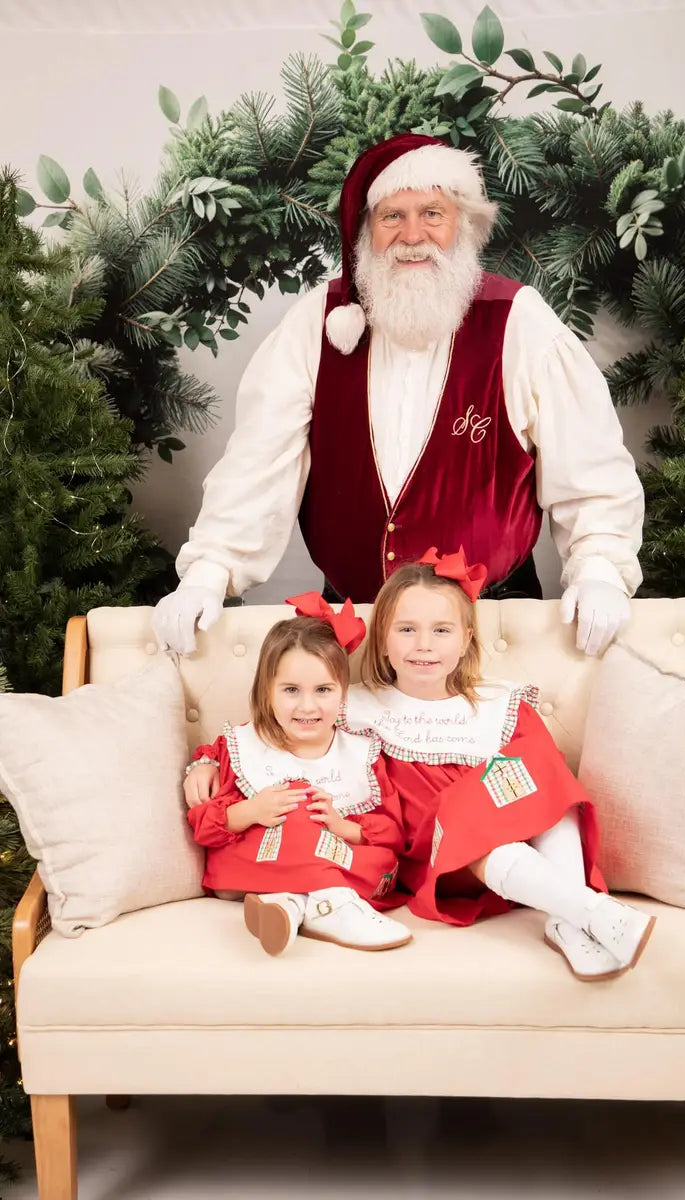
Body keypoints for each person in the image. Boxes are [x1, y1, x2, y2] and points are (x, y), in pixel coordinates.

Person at [152, 132, 644, 660]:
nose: (414, 235)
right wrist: (208, 571)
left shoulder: (518, 321)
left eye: (432, 213)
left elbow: (589, 467)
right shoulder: (318, 323)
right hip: (352, 626)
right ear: (366, 231)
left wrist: (599, 569)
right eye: (392, 216)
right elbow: (258, 463)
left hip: (491, 626)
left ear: (465, 225)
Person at [187, 549, 656, 982]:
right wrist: (204, 762)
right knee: (463, 817)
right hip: (434, 853)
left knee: (545, 775)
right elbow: (274, 726)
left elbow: (547, 790)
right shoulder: (357, 706)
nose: (423, 646)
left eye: (441, 630)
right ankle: (589, 912)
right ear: (384, 640)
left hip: (508, 838)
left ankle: (569, 917)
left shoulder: (498, 705)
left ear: (467, 637)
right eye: (406, 629)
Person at [185, 592, 411, 956]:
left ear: (342, 694)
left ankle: (290, 907)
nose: (307, 706)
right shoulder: (244, 746)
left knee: (379, 858)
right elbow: (205, 826)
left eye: (323, 690)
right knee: (300, 815)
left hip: (328, 861)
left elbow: (391, 833)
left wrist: (340, 825)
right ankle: (334, 905)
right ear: (267, 693)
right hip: (258, 862)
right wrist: (252, 811)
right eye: (291, 690)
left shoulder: (360, 752)